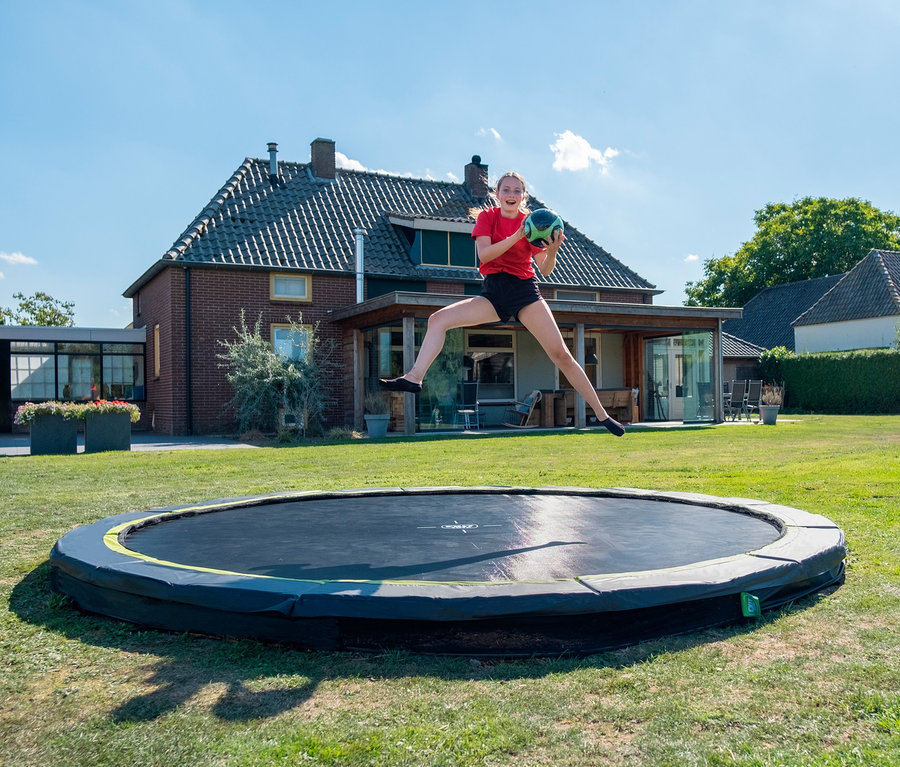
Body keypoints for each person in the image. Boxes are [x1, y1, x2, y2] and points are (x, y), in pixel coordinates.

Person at [380, 171, 625, 436]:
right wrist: (518, 236)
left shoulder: (533, 224)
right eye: (506, 190)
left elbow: (544, 269)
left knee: (562, 355)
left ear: (523, 196)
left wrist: (552, 251)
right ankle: (414, 378)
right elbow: (485, 254)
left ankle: (602, 415)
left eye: (517, 191)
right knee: (437, 320)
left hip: (524, 292)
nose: (511, 194)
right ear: (497, 194)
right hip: (494, 292)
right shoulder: (488, 218)